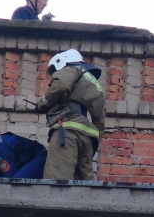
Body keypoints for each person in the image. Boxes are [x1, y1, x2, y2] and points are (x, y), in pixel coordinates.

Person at [35, 49, 106, 180]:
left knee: (56, 182)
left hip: (67, 133)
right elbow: (100, 122)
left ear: (62, 62)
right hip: (88, 140)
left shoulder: (73, 69)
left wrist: (43, 103)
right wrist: (91, 144)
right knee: (84, 188)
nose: (52, 80)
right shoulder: (95, 85)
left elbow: (61, 85)